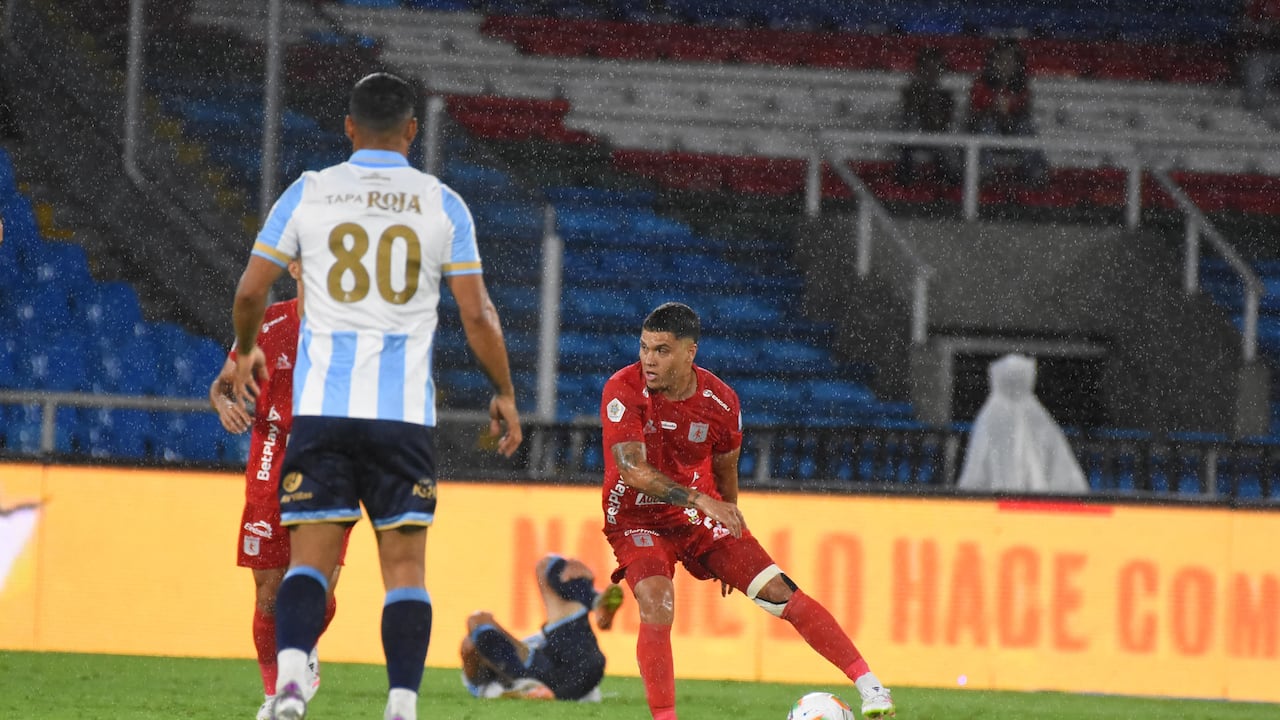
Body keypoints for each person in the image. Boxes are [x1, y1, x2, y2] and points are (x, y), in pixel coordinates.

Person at [229, 72, 523, 720]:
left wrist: (246, 346)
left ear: (349, 128)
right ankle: (400, 704)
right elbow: (479, 316)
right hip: (402, 419)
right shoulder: (443, 203)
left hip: (324, 412)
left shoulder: (309, 192)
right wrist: (502, 390)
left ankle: (286, 690)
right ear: (413, 131)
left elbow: (252, 292)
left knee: (308, 562)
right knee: (405, 569)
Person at [598, 302, 894, 720]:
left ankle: (872, 689)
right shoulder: (623, 388)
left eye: (662, 350)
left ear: (689, 352)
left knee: (779, 592)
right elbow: (631, 469)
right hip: (635, 518)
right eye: (644, 348)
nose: (648, 360)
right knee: (656, 600)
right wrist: (702, 501)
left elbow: (725, 472)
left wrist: (727, 527)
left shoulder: (721, 403)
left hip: (696, 519)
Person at [209, 259, 353, 720]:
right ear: (294, 266)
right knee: (268, 591)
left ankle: (302, 646)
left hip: (333, 458)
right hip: (272, 455)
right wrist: (223, 404)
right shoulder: (267, 322)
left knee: (320, 588)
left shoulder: (355, 330)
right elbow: (222, 384)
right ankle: (275, 695)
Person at [459, 553, 624, 702]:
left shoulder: (515, 656)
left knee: (545, 565)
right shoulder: (488, 685)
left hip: (569, 663)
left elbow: (478, 646)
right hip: (575, 670)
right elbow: (469, 648)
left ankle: (594, 600)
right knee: (476, 622)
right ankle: (592, 598)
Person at [956, 354, 1088, 494]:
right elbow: (1064, 472)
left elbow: (976, 472)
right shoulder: (1036, 415)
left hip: (999, 504)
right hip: (1032, 504)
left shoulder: (993, 416)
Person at [966, 38, 1046, 186]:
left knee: (1026, 127)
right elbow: (975, 112)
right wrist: (993, 109)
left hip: (1013, 128)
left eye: (1010, 60)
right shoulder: (982, 82)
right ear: (993, 62)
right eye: (1001, 59)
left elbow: (1023, 108)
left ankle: (1035, 172)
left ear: (1017, 64)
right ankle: (985, 171)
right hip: (988, 128)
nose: (1005, 64)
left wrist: (1009, 111)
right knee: (986, 126)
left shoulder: (1021, 85)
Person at [895, 46, 958, 185]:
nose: (931, 73)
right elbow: (909, 115)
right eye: (927, 68)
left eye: (935, 69)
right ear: (920, 70)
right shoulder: (911, 90)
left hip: (937, 136)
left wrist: (932, 108)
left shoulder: (945, 95)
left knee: (949, 140)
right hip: (913, 138)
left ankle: (947, 179)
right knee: (910, 124)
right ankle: (905, 175)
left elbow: (943, 122)